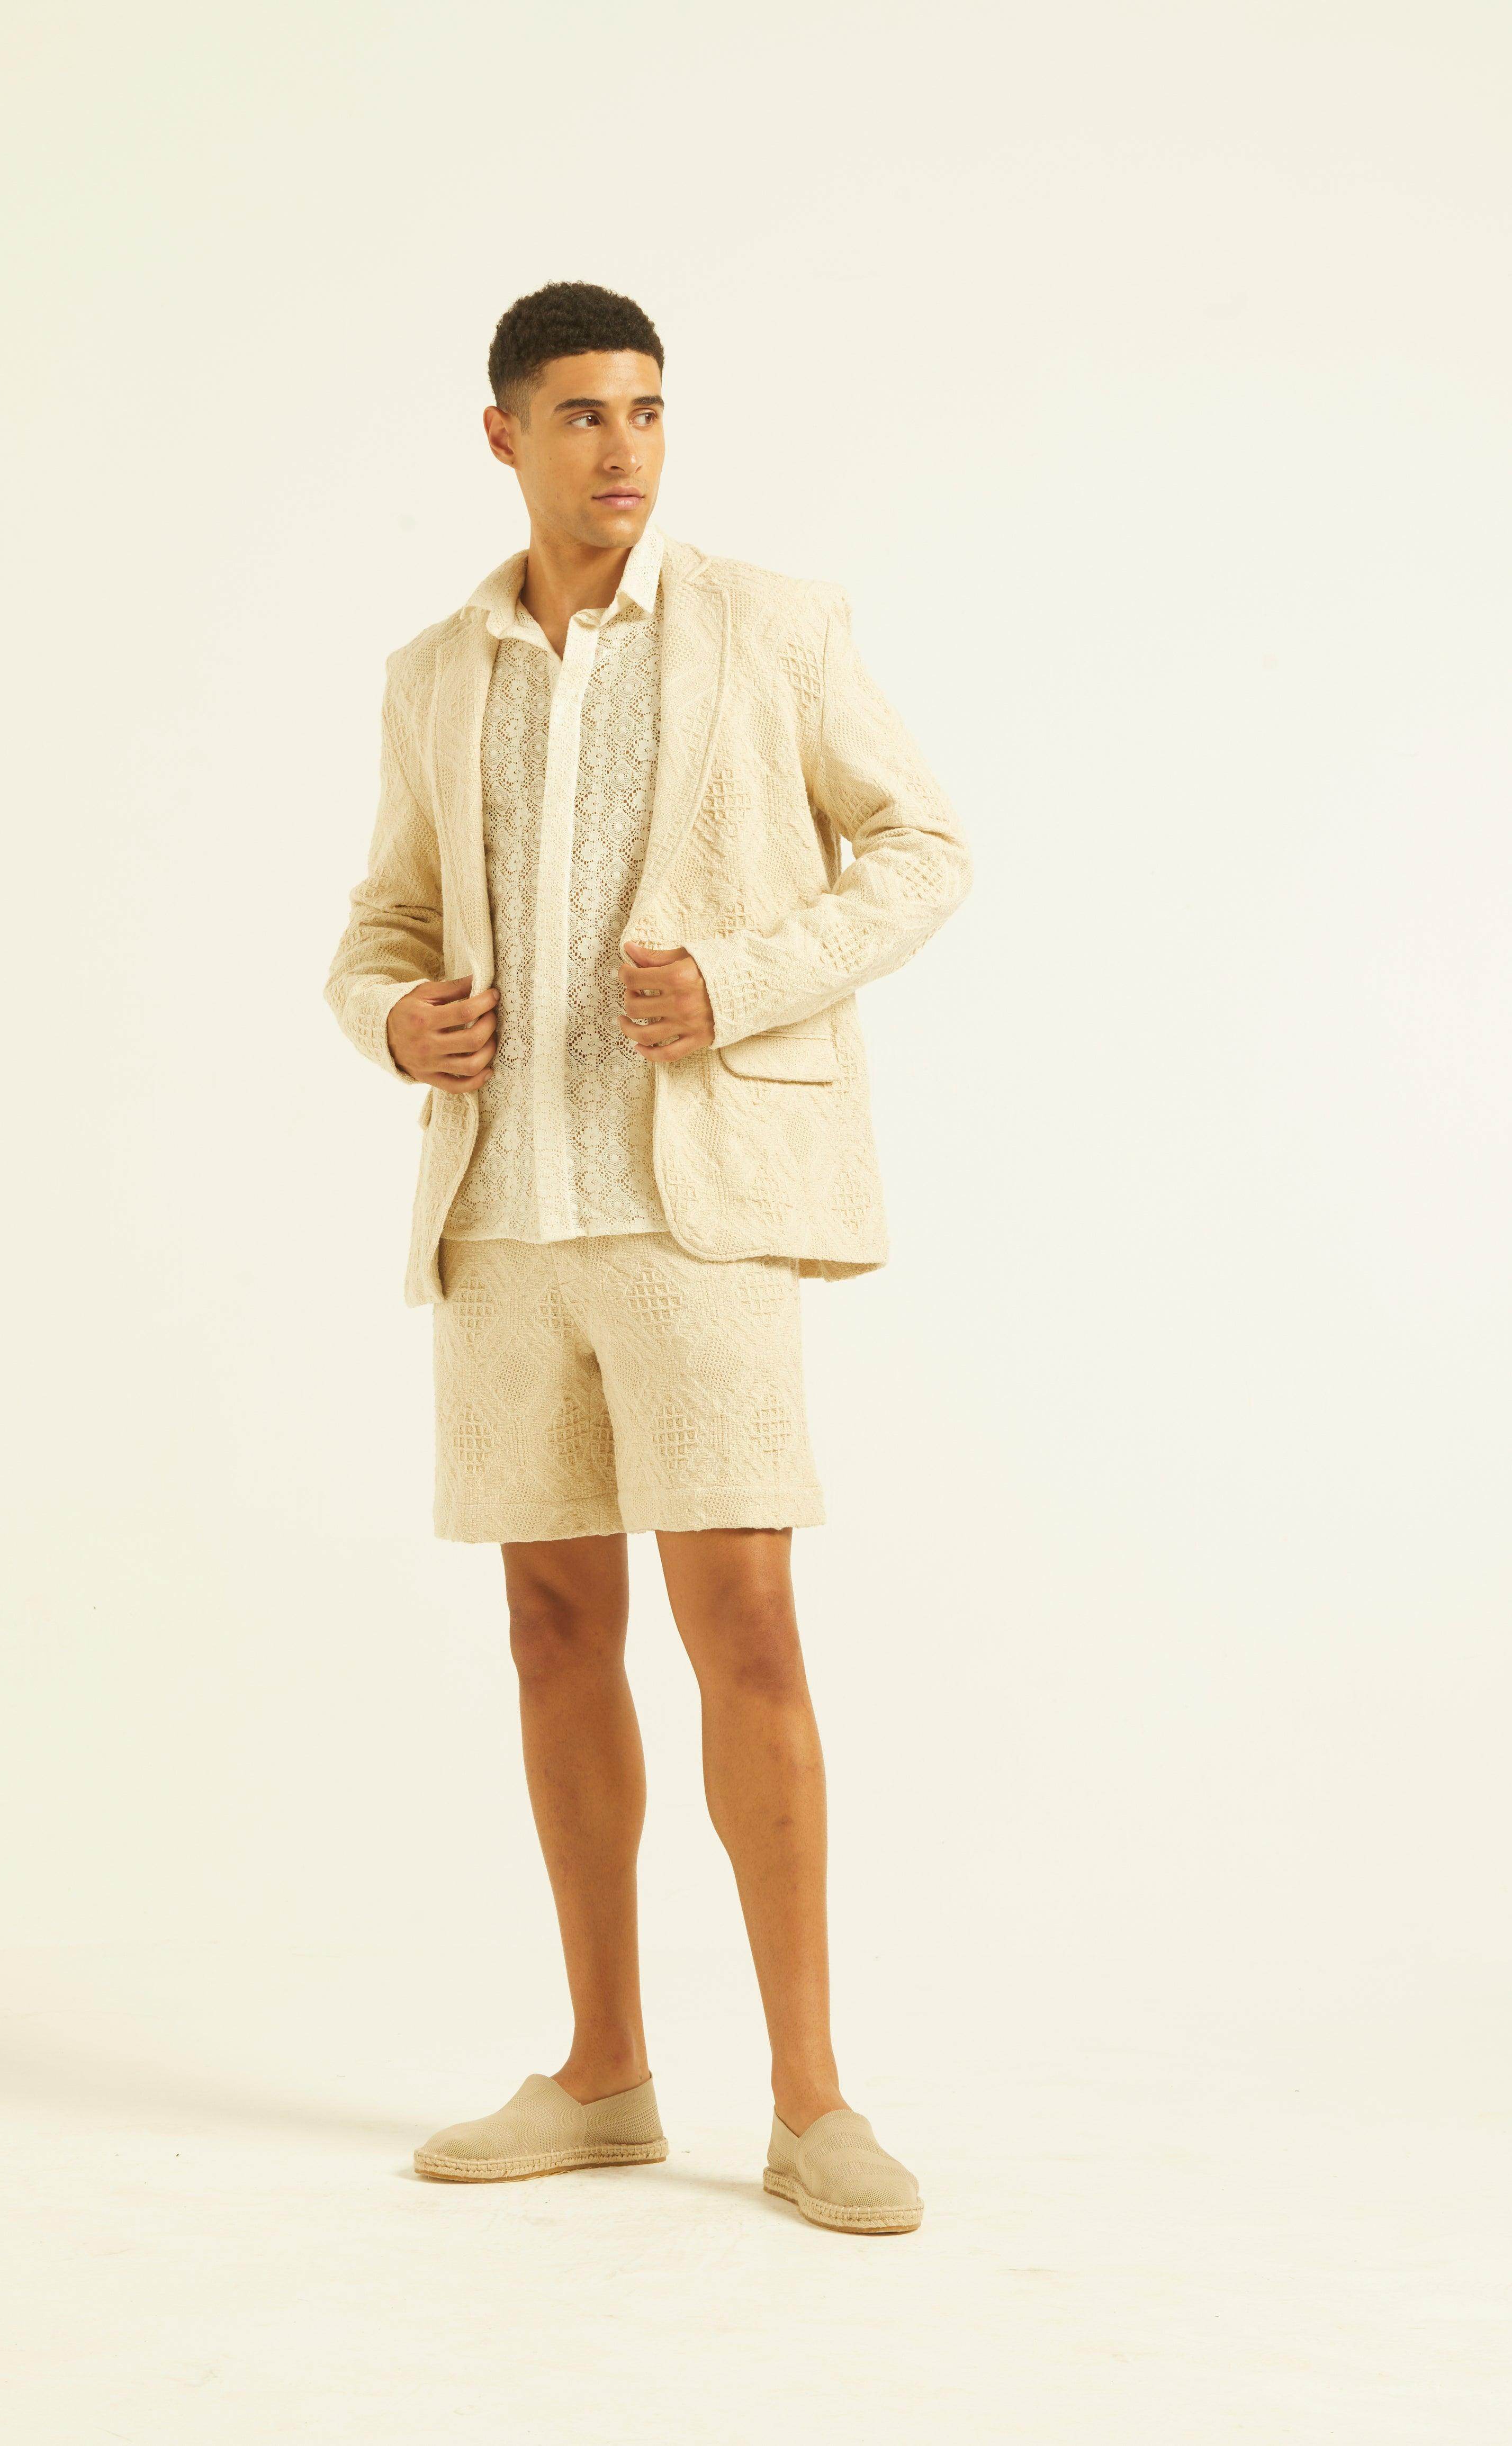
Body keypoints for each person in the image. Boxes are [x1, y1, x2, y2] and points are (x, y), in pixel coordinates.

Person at [324, 281, 971, 2236]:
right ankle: (604, 2070)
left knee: (745, 1624)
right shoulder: (434, 671)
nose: (625, 447)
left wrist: (745, 979)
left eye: (650, 410)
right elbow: (381, 924)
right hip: (504, 1216)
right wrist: (392, 1021)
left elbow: (922, 848)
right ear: (504, 434)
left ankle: (812, 2098)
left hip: (699, 1213)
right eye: (585, 414)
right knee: (551, 1629)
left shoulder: (774, 624)